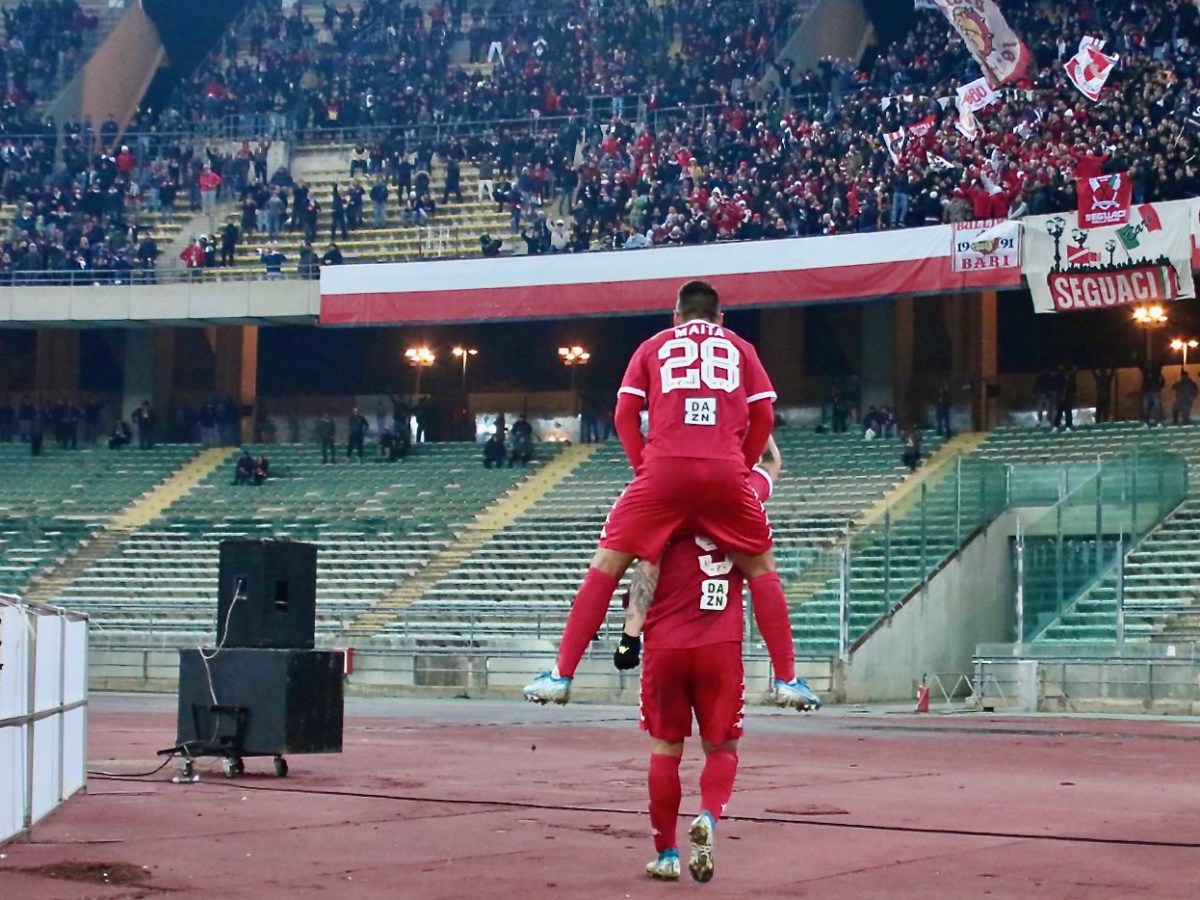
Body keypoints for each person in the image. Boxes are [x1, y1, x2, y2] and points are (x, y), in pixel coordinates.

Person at [524, 280, 811, 710]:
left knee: (608, 564)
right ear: (720, 318)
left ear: (676, 317)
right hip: (726, 477)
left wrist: (646, 470)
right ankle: (787, 679)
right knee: (762, 569)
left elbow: (623, 415)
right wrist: (738, 463)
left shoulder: (653, 345)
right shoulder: (741, 347)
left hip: (662, 473)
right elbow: (764, 415)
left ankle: (562, 675)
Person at [609, 437, 817, 883]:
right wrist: (742, 426)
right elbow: (772, 462)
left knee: (665, 747)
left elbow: (644, 577)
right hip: (719, 647)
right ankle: (708, 815)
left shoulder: (660, 505)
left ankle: (666, 852)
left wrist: (628, 641)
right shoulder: (743, 499)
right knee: (722, 747)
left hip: (665, 647)